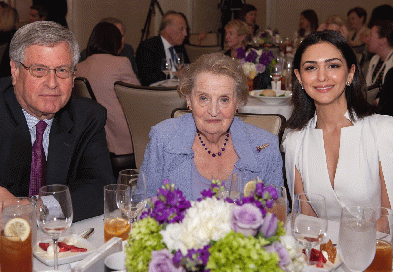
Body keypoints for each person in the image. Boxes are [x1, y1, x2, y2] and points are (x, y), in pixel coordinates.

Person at [0, 21, 115, 234]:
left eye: (62, 70)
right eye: (39, 70)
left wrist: (32, 210)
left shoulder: (88, 116)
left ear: (73, 75)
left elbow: (101, 190)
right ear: (15, 70)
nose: (52, 83)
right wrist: (44, 208)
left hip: (56, 243)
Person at [283, 30, 393, 229]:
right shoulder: (296, 141)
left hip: (380, 253)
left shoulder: (386, 133)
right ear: (299, 78)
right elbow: (306, 219)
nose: (321, 76)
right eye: (311, 68)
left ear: (350, 73)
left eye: (333, 65)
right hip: (322, 256)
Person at [141, 53, 284, 200]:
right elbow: (142, 203)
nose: (213, 111)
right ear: (189, 100)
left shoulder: (265, 147)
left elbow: (277, 213)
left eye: (224, 99)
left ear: (238, 103)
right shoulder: (163, 139)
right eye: (203, 98)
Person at [76, 22, 139, 175]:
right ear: (116, 42)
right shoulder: (121, 63)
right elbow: (138, 99)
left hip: (93, 137)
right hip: (121, 138)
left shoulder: (78, 67)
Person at [136, 11, 189, 86]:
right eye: (181, 29)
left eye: (185, 30)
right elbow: (148, 78)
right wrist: (174, 74)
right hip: (159, 93)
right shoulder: (148, 47)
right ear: (168, 29)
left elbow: (187, 67)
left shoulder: (179, 47)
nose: (185, 34)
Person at [364, 20, 393, 88]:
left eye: (371, 35)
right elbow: (367, 86)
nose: (367, 39)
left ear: (383, 40)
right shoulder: (374, 59)